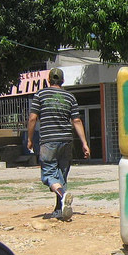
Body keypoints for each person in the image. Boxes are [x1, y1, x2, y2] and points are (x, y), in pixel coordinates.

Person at [27, 68, 90, 221]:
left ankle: (62, 196)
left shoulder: (40, 95)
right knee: (61, 175)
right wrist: (84, 143)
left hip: (48, 140)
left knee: (48, 174)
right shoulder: (70, 97)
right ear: (62, 81)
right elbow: (76, 120)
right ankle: (59, 209)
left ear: (49, 80)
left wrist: (29, 139)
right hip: (67, 141)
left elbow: (33, 118)